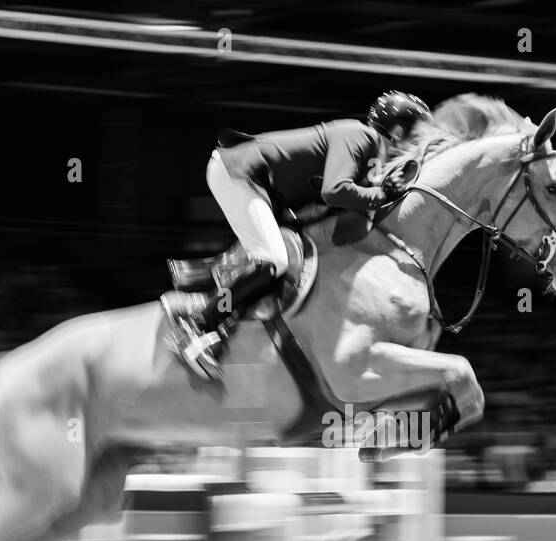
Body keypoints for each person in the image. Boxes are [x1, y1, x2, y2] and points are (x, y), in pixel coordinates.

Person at [168, 91, 432, 380]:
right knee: (274, 261)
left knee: (283, 256)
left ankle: (202, 286)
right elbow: (334, 191)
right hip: (241, 175)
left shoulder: (371, 155)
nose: (417, 146)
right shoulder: (362, 136)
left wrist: (382, 192)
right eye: (415, 136)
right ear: (396, 131)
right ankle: (197, 325)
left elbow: (342, 205)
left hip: (254, 184)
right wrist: (380, 194)